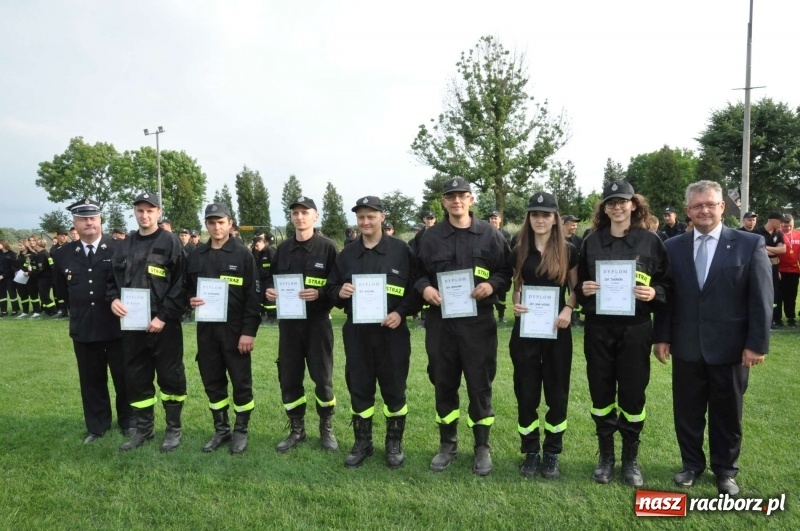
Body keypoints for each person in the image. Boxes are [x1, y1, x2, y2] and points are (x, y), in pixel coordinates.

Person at [653, 180, 772, 496]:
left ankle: (725, 471)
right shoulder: (673, 246)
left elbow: (760, 297)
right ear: (688, 211)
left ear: (722, 207)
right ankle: (691, 465)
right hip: (687, 345)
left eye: (710, 204)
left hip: (731, 348)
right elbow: (668, 296)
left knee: (727, 414)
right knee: (687, 413)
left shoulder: (749, 244)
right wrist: (662, 337)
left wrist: (756, 343)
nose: (704, 210)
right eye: (697, 205)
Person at [575, 180, 671, 487]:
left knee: (632, 393)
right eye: (611, 203)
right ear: (604, 208)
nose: (617, 207)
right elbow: (579, 285)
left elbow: (668, 285)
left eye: (622, 201)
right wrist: (583, 289)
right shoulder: (591, 241)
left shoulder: (651, 241)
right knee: (601, 393)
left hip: (635, 329)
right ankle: (606, 457)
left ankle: (630, 459)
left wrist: (653, 292)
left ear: (633, 204)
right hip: (599, 329)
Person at [415, 177, 511, 476]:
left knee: (479, 384)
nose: (457, 201)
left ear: (471, 199)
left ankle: (482, 447)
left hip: (478, 324)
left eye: (462, 196)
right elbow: (416, 273)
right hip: (440, 324)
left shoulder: (490, 234)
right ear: (443, 202)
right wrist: (424, 289)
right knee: (443, 382)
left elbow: (505, 271)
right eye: (450, 196)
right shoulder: (429, 238)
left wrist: (491, 285)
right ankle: (448, 444)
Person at [327, 196, 421, 469]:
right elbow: (331, 290)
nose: (366, 221)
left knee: (394, 389)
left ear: (382, 217)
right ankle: (363, 442)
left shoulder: (402, 251)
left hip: (392, 334)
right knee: (360, 387)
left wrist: (400, 313)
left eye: (371, 216)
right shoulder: (347, 254)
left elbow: (417, 288)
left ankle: (394, 444)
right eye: (361, 217)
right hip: (358, 334)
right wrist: (339, 292)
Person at [108, 192, 188, 453]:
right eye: (140, 210)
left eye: (150, 210)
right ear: (135, 212)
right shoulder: (124, 244)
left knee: (170, 377)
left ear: (158, 212)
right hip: (132, 326)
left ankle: (173, 430)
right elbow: (112, 283)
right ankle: (144, 429)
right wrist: (112, 300)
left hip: (164, 325)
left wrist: (163, 317)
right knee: (136, 377)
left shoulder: (171, 242)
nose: (145, 215)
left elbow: (180, 284)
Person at [509, 192, 578, 479]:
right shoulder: (518, 248)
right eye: (535, 214)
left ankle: (551, 452)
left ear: (555, 219)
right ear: (529, 218)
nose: (540, 219)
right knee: (526, 392)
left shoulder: (570, 250)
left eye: (546, 214)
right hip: (525, 330)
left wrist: (567, 309)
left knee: (556, 392)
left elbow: (575, 290)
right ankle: (530, 451)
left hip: (557, 331)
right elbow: (516, 285)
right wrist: (515, 302)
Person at [52, 199, 133, 443]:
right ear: (74, 223)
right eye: (82, 219)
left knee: (124, 379)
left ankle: (129, 422)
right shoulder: (63, 254)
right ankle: (97, 427)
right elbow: (61, 292)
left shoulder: (120, 248)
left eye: (93, 218)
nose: (88, 222)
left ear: (100, 220)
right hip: (84, 329)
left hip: (117, 327)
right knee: (91, 381)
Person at [265, 196, 339, 453]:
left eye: (305, 212)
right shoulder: (283, 249)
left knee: (323, 378)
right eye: (295, 213)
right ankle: (297, 430)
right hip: (290, 325)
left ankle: (326, 430)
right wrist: (270, 291)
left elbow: (337, 286)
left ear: (315, 216)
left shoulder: (328, 248)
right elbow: (270, 280)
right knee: (289, 378)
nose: (299, 217)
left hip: (318, 324)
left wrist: (320, 294)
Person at [186, 203, 261, 454]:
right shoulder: (196, 255)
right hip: (207, 332)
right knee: (212, 381)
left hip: (235, 331)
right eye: (211, 222)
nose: (216, 227)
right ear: (206, 225)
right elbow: (185, 288)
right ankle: (221, 430)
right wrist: (190, 300)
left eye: (221, 222)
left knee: (241, 382)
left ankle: (241, 431)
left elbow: (254, 296)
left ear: (230, 224)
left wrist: (248, 332)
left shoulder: (243, 255)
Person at [754, 213, 786, 328]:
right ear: (773, 220)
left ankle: (773, 319)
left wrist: (765, 247)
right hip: (761, 267)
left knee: (774, 292)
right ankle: (762, 319)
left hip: (774, 267)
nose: (782, 224)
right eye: (780, 222)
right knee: (762, 291)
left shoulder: (778, 233)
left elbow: (783, 250)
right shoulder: (757, 233)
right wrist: (774, 251)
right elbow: (758, 250)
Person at [488, 211, 512, 324]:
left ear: (500, 220)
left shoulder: (506, 234)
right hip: (488, 268)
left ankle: (501, 315)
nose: (493, 220)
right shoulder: (485, 233)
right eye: (491, 218)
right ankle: (489, 316)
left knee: (501, 295)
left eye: (495, 218)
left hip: (500, 267)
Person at [777, 213, 800, 327]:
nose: (788, 228)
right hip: (780, 270)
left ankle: (791, 317)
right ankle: (777, 318)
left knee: (791, 295)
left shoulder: (798, 235)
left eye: (790, 226)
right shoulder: (776, 234)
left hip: (794, 271)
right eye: (785, 226)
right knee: (778, 295)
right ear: (781, 225)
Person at [15, 239, 40, 318]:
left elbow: (34, 265)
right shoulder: (18, 255)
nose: (19, 247)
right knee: (23, 295)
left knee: (33, 295)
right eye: (19, 245)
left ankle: (36, 311)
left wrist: (29, 272)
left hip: (31, 278)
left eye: (21, 245)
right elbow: (15, 265)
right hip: (20, 278)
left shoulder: (33, 254)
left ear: (26, 245)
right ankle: (25, 311)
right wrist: (16, 271)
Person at [33, 240, 57, 316]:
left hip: (44, 278)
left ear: (38, 246)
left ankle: (53, 310)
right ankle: (47, 311)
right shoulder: (46, 253)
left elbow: (40, 268)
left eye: (35, 245)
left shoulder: (41, 254)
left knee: (44, 295)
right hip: (48, 278)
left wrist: (30, 273)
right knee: (44, 295)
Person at [0, 239, 21, 316]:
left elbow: (12, 267)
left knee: (12, 293)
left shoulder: (12, 254)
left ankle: (15, 310)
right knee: (2, 295)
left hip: (10, 277)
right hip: (0, 278)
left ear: (3, 244)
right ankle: (3, 311)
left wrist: (3, 275)